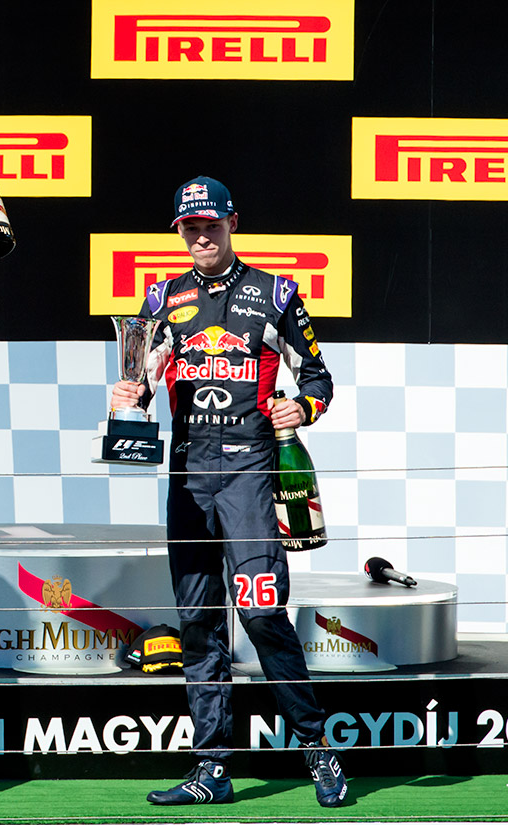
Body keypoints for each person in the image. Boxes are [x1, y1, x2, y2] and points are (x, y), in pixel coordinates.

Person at [109, 177, 348, 807]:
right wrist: (133, 394)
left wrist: (305, 406)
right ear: (180, 233)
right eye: (190, 227)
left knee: (263, 612)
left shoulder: (276, 293)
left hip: (250, 473)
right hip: (189, 474)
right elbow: (144, 373)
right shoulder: (162, 297)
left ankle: (318, 749)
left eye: (210, 224)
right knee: (197, 622)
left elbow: (319, 376)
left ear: (232, 224)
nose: (200, 236)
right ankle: (211, 767)